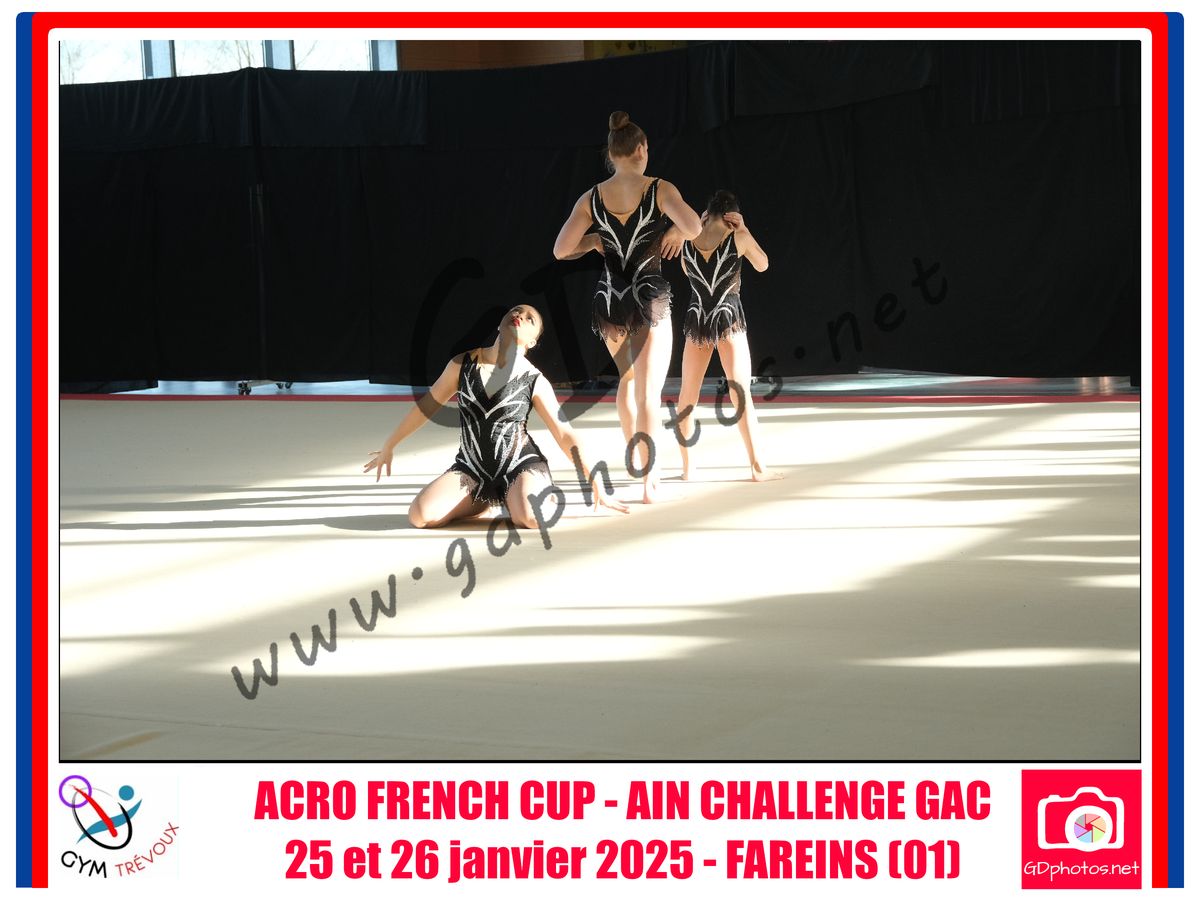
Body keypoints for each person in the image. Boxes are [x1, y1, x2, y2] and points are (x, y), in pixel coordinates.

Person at [365, 304, 628, 527]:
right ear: (500, 323)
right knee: (420, 516)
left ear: (532, 342)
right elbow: (426, 407)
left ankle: (537, 492)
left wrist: (594, 479)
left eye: (530, 319)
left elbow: (564, 433)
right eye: (516, 311)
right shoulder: (462, 365)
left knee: (531, 518)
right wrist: (390, 444)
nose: (520, 316)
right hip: (472, 468)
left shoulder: (534, 379)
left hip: (519, 466)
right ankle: (483, 502)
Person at [553, 110, 702, 503]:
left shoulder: (591, 197)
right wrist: (675, 231)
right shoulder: (659, 189)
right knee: (648, 392)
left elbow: (561, 250)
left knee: (629, 380)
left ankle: (637, 459)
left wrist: (592, 241)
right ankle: (649, 479)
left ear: (611, 154)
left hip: (609, 299)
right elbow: (695, 227)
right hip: (647, 294)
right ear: (641, 149)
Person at [662, 190, 779, 482]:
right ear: (731, 217)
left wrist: (697, 230)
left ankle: (688, 469)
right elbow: (763, 264)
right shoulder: (738, 236)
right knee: (740, 394)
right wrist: (744, 229)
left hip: (698, 318)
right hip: (728, 317)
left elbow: (688, 271)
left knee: (687, 395)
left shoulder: (687, 242)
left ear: (707, 214)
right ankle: (757, 468)